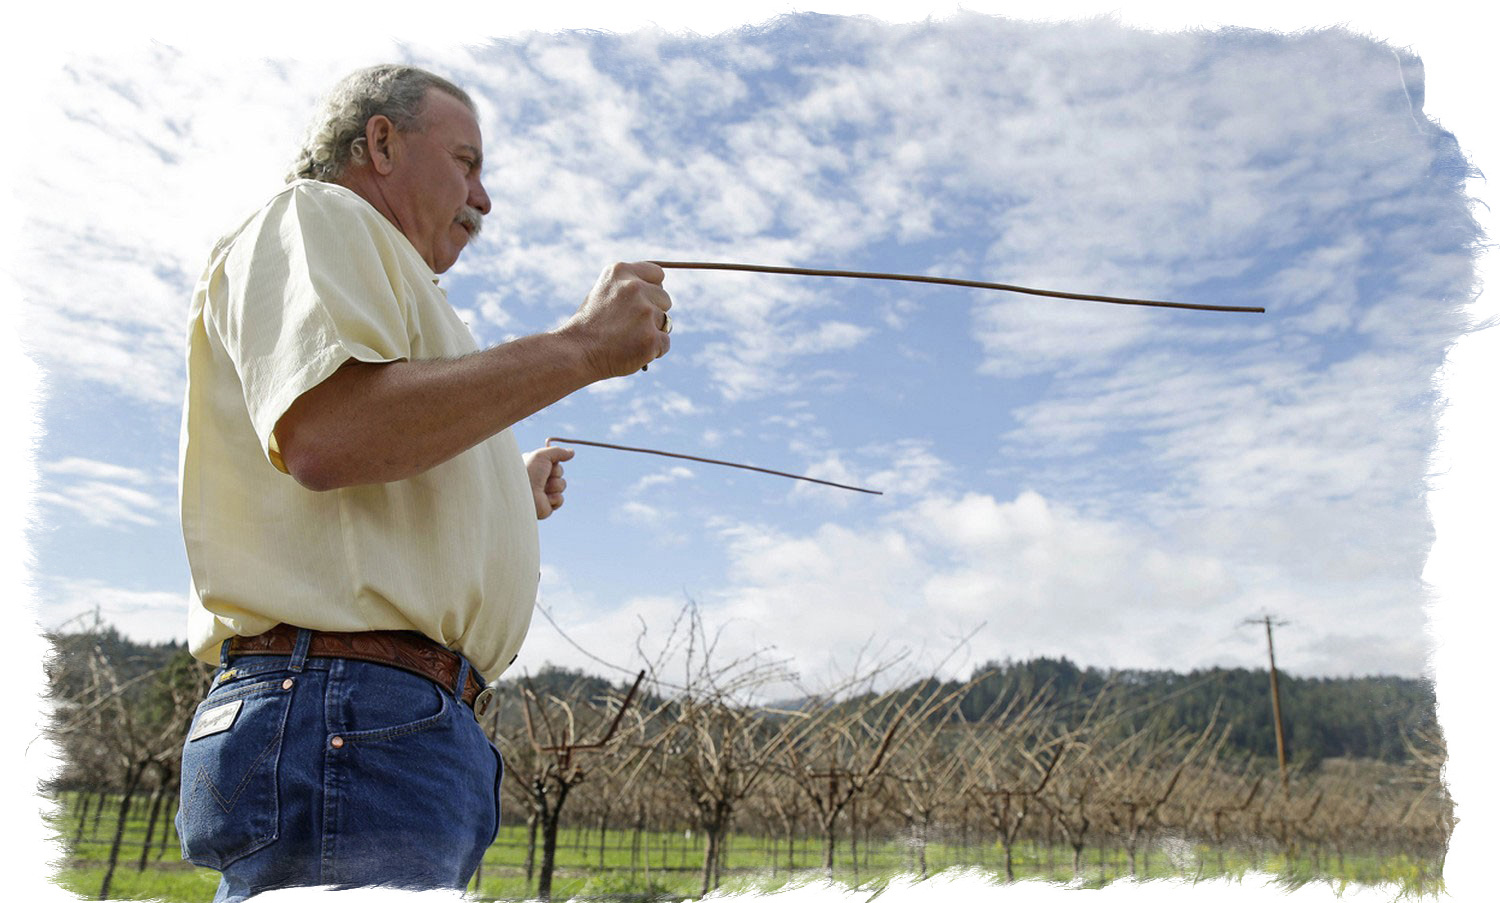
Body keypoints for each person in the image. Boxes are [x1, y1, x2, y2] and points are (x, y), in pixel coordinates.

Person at [173, 64, 672, 902]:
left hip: (376, 721)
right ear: (380, 142)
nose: (484, 196)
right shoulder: (318, 215)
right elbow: (334, 432)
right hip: (349, 715)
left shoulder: (401, 289)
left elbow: (373, 460)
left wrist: (505, 491)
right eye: (467, 161)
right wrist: (581, 348)